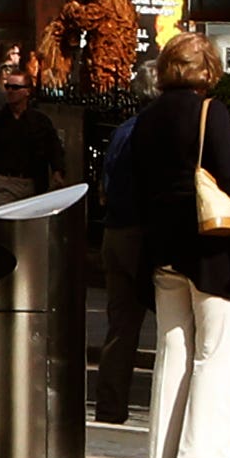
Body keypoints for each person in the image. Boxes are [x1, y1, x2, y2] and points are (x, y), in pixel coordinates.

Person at [112, 29, 230, 458]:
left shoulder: (148, 118)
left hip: (161, 244)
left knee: (173, 345)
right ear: (208, 70)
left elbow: (134, 182)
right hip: (208, 244)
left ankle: (163, 453)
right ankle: (204, 455)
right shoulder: (208, 112)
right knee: (214, 350)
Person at [92, 98, 150, 424]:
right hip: (140, 235)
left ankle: (111, 406)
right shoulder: (153, 131)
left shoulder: (123, 131)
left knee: (121, 326)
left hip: (114, 231)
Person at [0, 53, 66, 210]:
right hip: (5, 182)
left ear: (27, 91)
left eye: (15, 88)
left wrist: (58, 171)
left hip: (33, 183)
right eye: (7, 87)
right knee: (5, 225)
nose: (10, 91)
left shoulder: (40, 122)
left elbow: (54, 148)